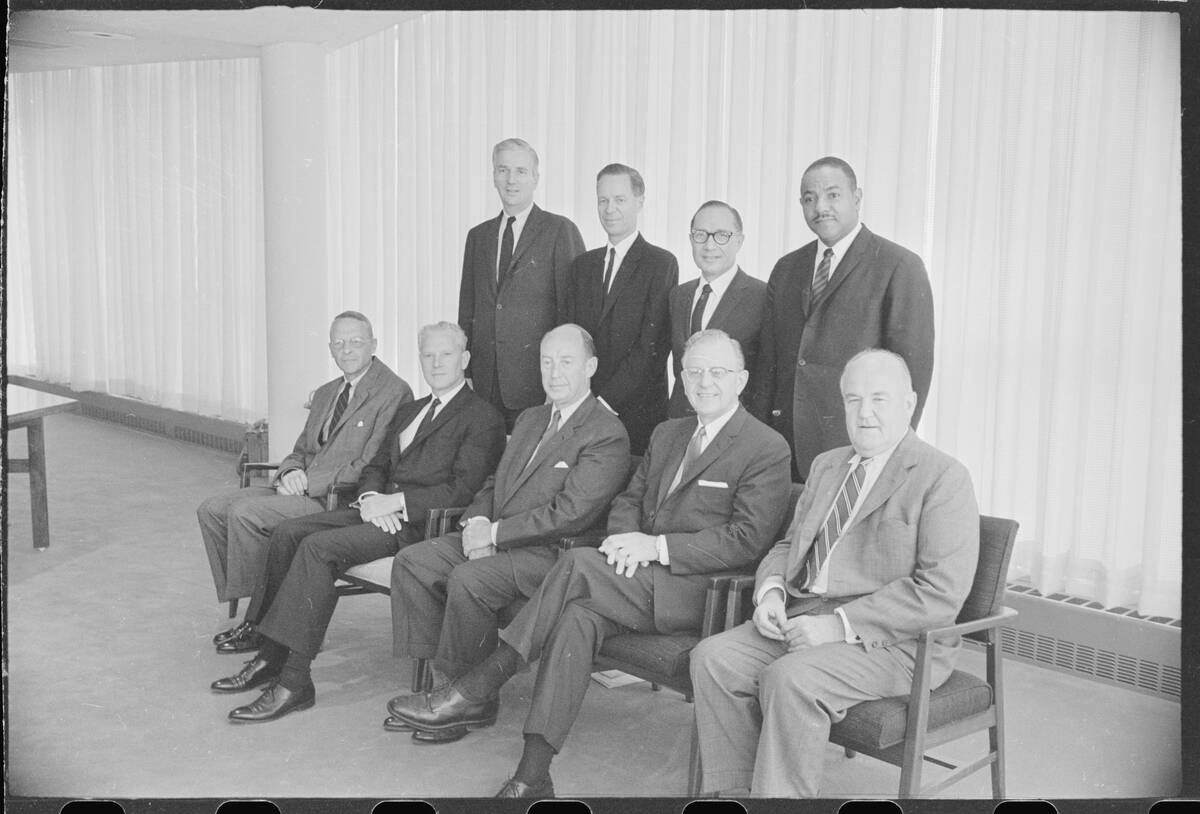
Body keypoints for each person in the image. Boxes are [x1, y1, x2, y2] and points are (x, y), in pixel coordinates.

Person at [386, 329, 792, 799]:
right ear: (681, 377)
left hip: (696, 592)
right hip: (627, 574)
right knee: (576, 619)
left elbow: (746, 539)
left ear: (741, 380)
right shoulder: (669, 433)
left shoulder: (766, 446)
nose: (704, 382)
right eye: (694, 371)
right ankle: (532, 775)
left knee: (578, 564)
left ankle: (479, 684)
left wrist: (656, 549)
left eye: (717, 372)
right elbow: (630, 498)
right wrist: (623, 538)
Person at [690, 349, 980, 797]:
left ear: (909, 403)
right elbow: (789, 545)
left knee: (790, 680)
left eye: (879, 399)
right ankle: (735, 794)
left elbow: (941, 592)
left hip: (895, 642)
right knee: (713, 659)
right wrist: (770, 593)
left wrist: (837, 626)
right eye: (853, 399)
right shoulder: (828, 465)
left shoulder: (943, 477)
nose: (864, 414)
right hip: (804, 614)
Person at [207, 322, 506, 723]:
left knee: (317, 548)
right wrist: (368, 499)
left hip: (421, 524)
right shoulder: (411, 410)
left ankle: (295, 682)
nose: (436, 363)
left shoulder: (481, 416)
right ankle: (270, 655)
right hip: (376, 511)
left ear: (464, 360)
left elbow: (463, 490)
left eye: (446, 354)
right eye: (428, 356)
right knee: (286, 533)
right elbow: (377, 465)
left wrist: (394, 503)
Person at [385, 323, 632, 743]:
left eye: (566, 362)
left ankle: (467, 702)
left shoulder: (605, 432)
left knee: (469, 579)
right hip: (496, 535)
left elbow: (569, 514)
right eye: (546, 361)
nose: (554, 373)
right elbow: (493, 482)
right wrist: (477, 521)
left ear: (590, 366)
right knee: (413, 561)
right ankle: (445, 686)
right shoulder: (532, 417)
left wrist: (495, 536)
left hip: (550, 555)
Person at [200, 311, 412, 651]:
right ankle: (254, 601)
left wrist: (307, 481)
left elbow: (372, 463)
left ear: (373, 344)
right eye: (339, 343)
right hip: (301, 484)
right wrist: (289, 472)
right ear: (330, 348)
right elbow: (300, 449)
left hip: (333, 496)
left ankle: (258, 622)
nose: (347, 350)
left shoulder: (393, 392)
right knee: (212, 509)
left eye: (356, 342)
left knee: (246, 514)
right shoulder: (329, 391)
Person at [751, 157, 934, 478]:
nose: (820, 206)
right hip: (784, 446)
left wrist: (891, 446)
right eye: (809, 198)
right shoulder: (786, 268)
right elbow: (769, 363)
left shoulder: (898, 265)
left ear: (857, 198)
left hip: (858, 446)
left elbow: (912, 370)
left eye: (832, 195)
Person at [458, 137, 586, 431]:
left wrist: (561, 379)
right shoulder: (478, 237)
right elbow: (468, 307)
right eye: (503, 170)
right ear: (493, 176)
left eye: (520, 171)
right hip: (485, 383)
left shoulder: (559, 230)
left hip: (536, 383)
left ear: (535, 177)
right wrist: (466, 371)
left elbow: (571, 312)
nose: (511, 180)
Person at [564, 163, 678, 454]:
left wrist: (602, 403)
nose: (609, 209)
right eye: (603, 200)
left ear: (640, 202)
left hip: (635, 412)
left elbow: (651, 347)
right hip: (581, 409)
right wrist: (581, 402)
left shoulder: (660, 263)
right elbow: (571, 339)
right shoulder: (582, 266)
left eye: (619, 199)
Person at [667, 200, 766, 419]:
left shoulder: (762, 296)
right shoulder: (678, 296)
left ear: (739, 241)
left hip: (734, 431)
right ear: (691, 240)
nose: (709, 246)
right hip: (678, 424)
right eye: (701, 235)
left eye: (722, 235)